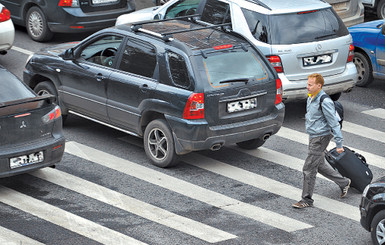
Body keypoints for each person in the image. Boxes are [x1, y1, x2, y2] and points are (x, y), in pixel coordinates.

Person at [292, 73, 351, 209]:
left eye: (310, 85)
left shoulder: (324, 101)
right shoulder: (311, 97)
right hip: (314, 136)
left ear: (319, 86)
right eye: (307, 84)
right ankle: (344, 182)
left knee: (308, 168)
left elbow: (334, 123)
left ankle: (306, 199)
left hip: (320, 138)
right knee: (318, 164)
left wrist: (339, 144)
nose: (307, 87)